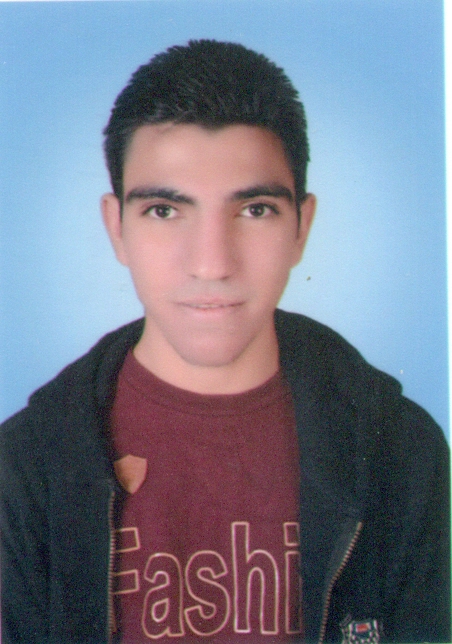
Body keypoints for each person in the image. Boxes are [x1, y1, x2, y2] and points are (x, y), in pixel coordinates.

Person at [0, 40, 449, 644]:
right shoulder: (24, 469)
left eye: (255, 209)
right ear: (117, 228)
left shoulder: (401, 453)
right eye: (164, 211)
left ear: (301, 227)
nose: (212, 264)